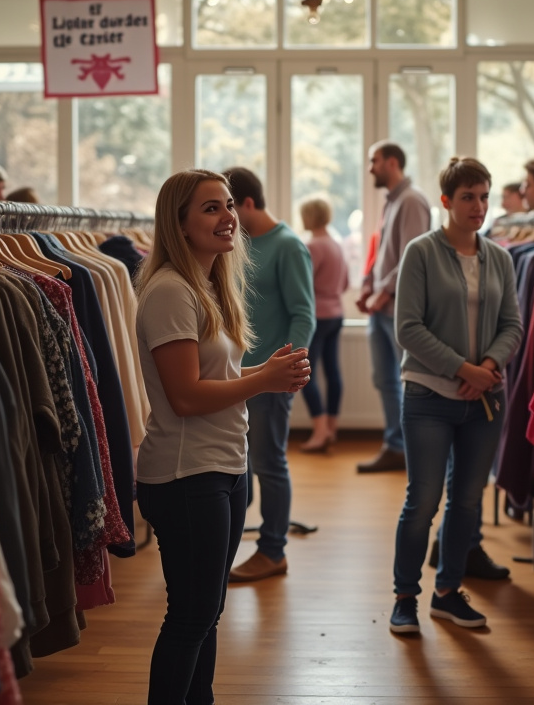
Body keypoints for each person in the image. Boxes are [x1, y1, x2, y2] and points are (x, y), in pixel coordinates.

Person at [135, 169, 311, 704]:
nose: (228, 216)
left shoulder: (208, 285)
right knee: (191, 615)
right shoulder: (169, 291)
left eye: (229, 204)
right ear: (180, 223)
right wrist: (264, 379)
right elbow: (186, 396)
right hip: (186, 475)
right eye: (210, 208)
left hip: (224, 468)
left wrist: (263, 370)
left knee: (207, 612)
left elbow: (215, 379)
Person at [387, 157, 523, 634]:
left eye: (484, 196)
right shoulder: (421, 253)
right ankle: (405, 597)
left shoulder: (501, 258)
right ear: (446, 201)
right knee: (422, 500)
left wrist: (486, 369)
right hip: (428, 395)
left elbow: (513, 325)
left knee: (467, 500)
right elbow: (408, 328)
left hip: (483, 401)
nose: (479, 206)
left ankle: (447, 593)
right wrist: (463, 368)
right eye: (468, 197)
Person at [220, 167, 316, 583]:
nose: (223, 217)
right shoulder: (234, 244)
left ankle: (273, 550)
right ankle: (227, 543)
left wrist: (288, 368)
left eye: (228, 207)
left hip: (271, 376)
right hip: (234, 373)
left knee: (269, 462)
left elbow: (303, 314)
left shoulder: (288, 246)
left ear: (247, 204)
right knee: (237, 462)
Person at [356, 141, 431, 473]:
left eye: (374, 161)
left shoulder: (412, 201)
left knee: (411, 381)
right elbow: (382, 253)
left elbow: (410, 259)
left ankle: (415, 452)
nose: (370, 167)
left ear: (391, 162)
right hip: (382, 308)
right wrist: (369, 287)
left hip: (400, 310)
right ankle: (395, 446)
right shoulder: (393, 201)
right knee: (384, 380)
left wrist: (382, 293)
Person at [296, 194, 348, 452]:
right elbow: (346, 283)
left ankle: (319, 432)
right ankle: (332, 428)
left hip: (317, 316)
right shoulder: (337, 244)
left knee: (307, 375)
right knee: (333, 372)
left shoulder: (313, 246)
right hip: (337, 313)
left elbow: (302, 284)